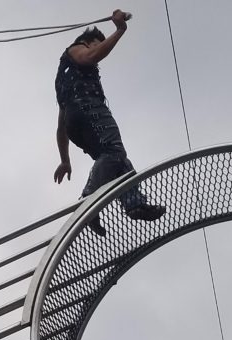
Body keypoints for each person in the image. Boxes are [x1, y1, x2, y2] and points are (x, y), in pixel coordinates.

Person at [53, 9, 164, 236]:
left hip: (74, 121)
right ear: (87, 41)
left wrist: (65, 160)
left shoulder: (66, 79)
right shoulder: (77, 50)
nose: (98, 48)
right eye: (96, 43)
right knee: (114, 151)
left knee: (117, 159)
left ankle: (134, 203)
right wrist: (120, 30)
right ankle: (89, 202)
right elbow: (90, 56)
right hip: (88, 109)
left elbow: (61, 126)